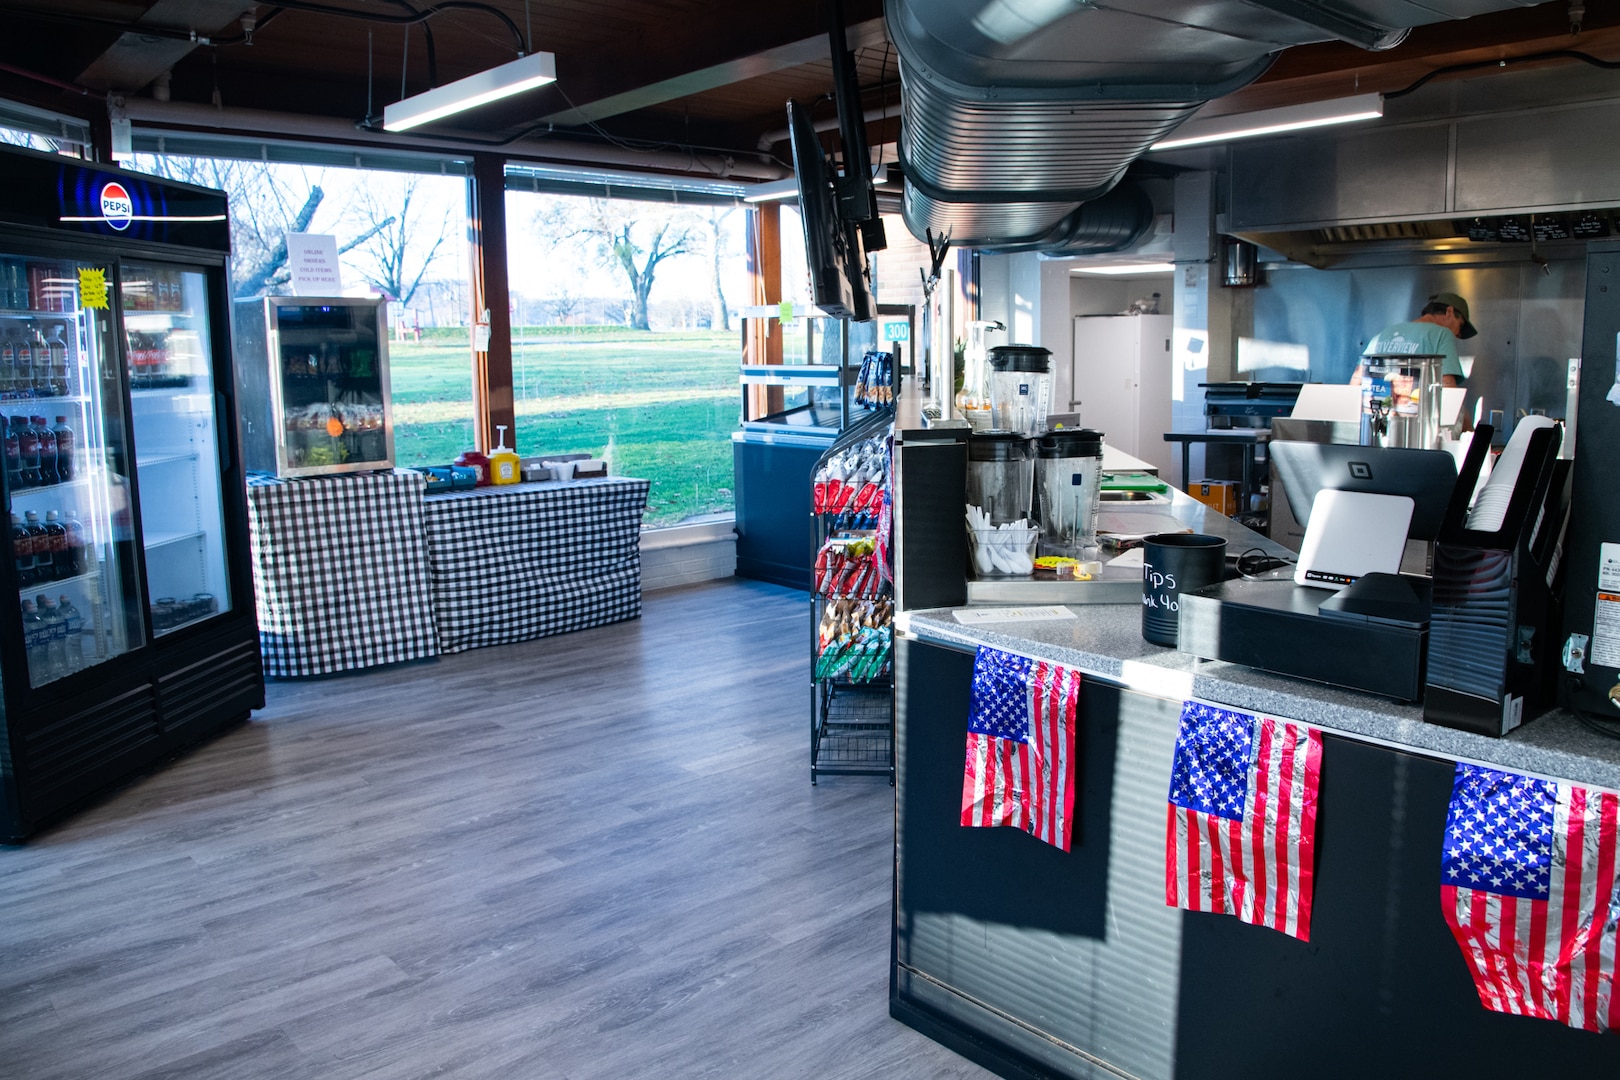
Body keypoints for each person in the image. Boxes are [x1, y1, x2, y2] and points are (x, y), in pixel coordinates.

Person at [1354, 291, 1476, 388]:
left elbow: (1356, 380)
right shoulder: (1442, 334)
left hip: (1378, 415)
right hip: (1417, 417)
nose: (1457, 334)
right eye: (1460, 326)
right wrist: (1464, 418)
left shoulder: (1384, 333)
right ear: (1449, 311)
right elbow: (1447, 387)